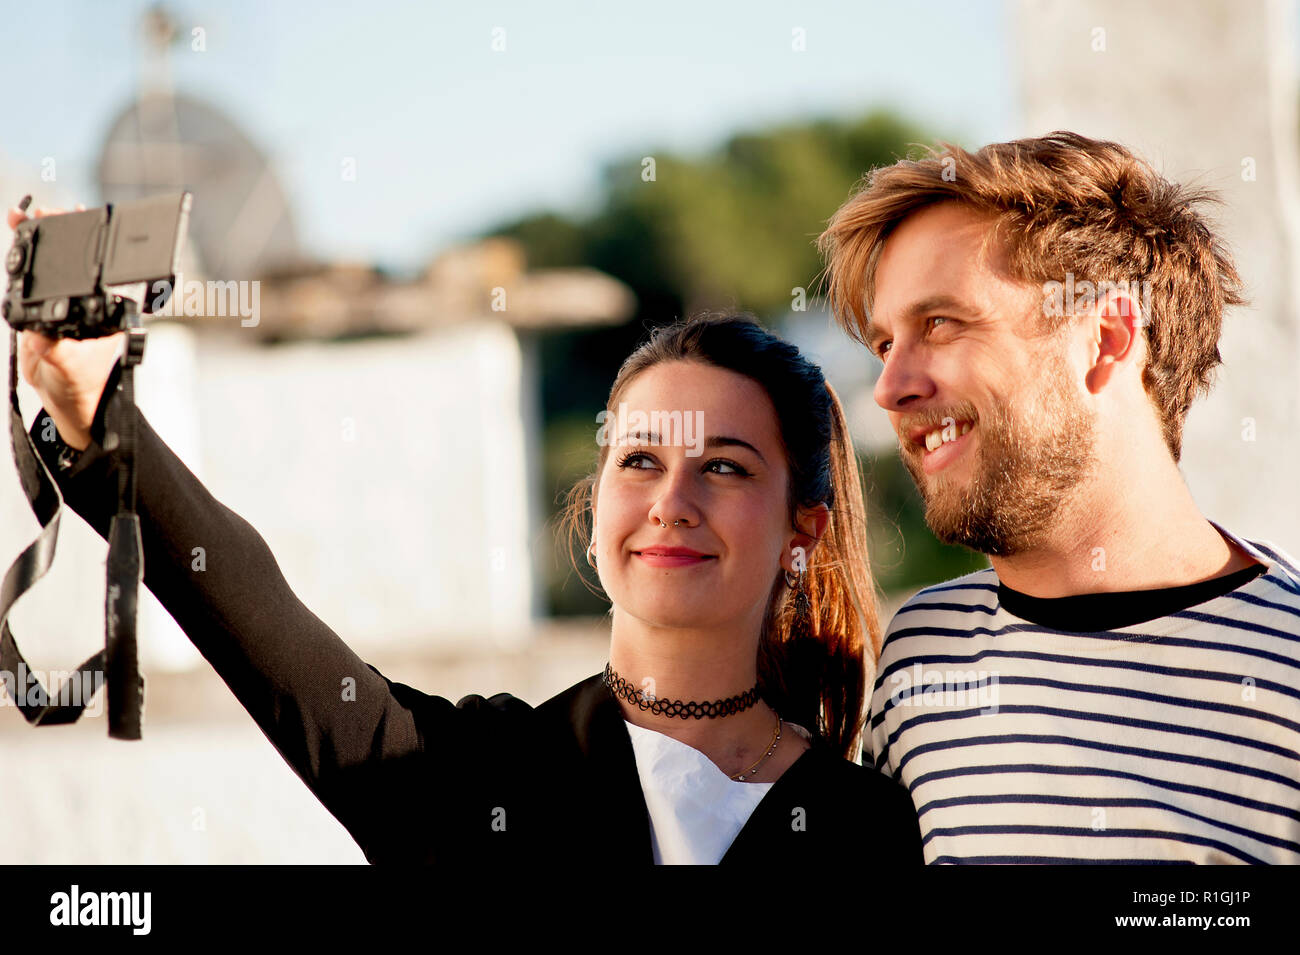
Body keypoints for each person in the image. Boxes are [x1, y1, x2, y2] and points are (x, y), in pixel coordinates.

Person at [7, 222, 922, 865]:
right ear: (594, 501)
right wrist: (100, 413)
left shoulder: (870, 829)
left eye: (723, 467)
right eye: (640, 459)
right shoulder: (460, 778)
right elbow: (257, 611)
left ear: (804, 525)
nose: (672, 502)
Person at [816, 130, 1300, 864]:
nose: (890, 387)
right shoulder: (920, 654)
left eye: (940, 323)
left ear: (1106, 337)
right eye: (885, 344)